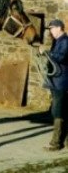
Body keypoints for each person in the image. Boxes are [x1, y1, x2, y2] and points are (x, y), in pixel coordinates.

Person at [39, 19, 68, 151]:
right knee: (61, 110)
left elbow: (61, 57)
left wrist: (47, 51)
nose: (50, 31)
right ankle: (65, 141)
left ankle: (56, 143)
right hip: (56, 81)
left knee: (58, 111)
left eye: (51, 28)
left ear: (59, 28)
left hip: (61, 82)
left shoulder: (65, 42)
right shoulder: (57, 42)